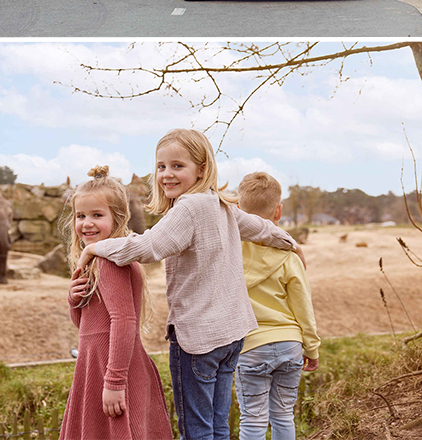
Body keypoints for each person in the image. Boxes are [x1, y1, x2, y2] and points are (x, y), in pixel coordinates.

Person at [76, 129, 300, 440]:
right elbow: (259, 228)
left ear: (202, 169)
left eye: (177, 166)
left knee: (197, 432)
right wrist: (290, 242)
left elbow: (147, 248)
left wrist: (94, 248)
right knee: (218, 426)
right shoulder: (218, 203)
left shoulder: (189, 208)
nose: (166, 174)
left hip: (198, 340)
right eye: (161, 166)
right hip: (231, 335)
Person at [60, 167, 173, 440]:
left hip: (113, 368)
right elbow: (85, 326)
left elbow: (124, 321)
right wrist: (74, 300)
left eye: (97, 215)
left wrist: (114, 382)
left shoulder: (109, 261)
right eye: (81, 216)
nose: (87, 223)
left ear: (118, 217)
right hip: (96, 364)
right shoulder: (93, 261)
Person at [235, 172, 320, 440]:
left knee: (253, 420)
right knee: (284, 415)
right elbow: (303, 307)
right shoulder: (289, 255)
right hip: (289, 344)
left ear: (237, 210)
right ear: (279, 211)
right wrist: (312, 348)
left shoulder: (231, 252)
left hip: (251, 347)